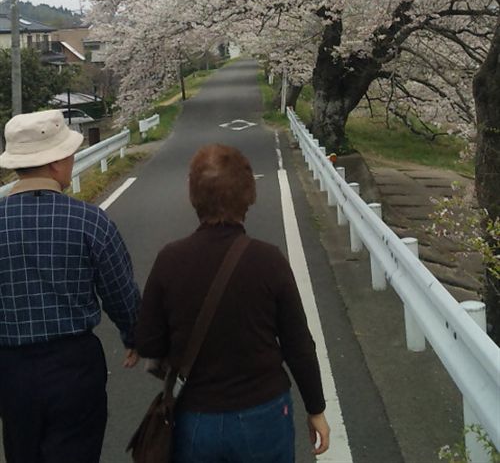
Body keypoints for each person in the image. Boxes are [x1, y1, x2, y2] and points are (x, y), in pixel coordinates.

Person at [135, 143, 330, 462]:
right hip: (264, 412)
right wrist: (316, 409)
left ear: (193, 197)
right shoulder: (269, 260)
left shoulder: (169, 260)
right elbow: (298, 345)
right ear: (248, 196)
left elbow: (149, 341)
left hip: (196, 416)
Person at [0, 109, 141, 463]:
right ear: (57, 163)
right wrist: (134, 336)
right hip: (74, 366)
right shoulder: (89, 221)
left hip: (10, 369)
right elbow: (120, 293)